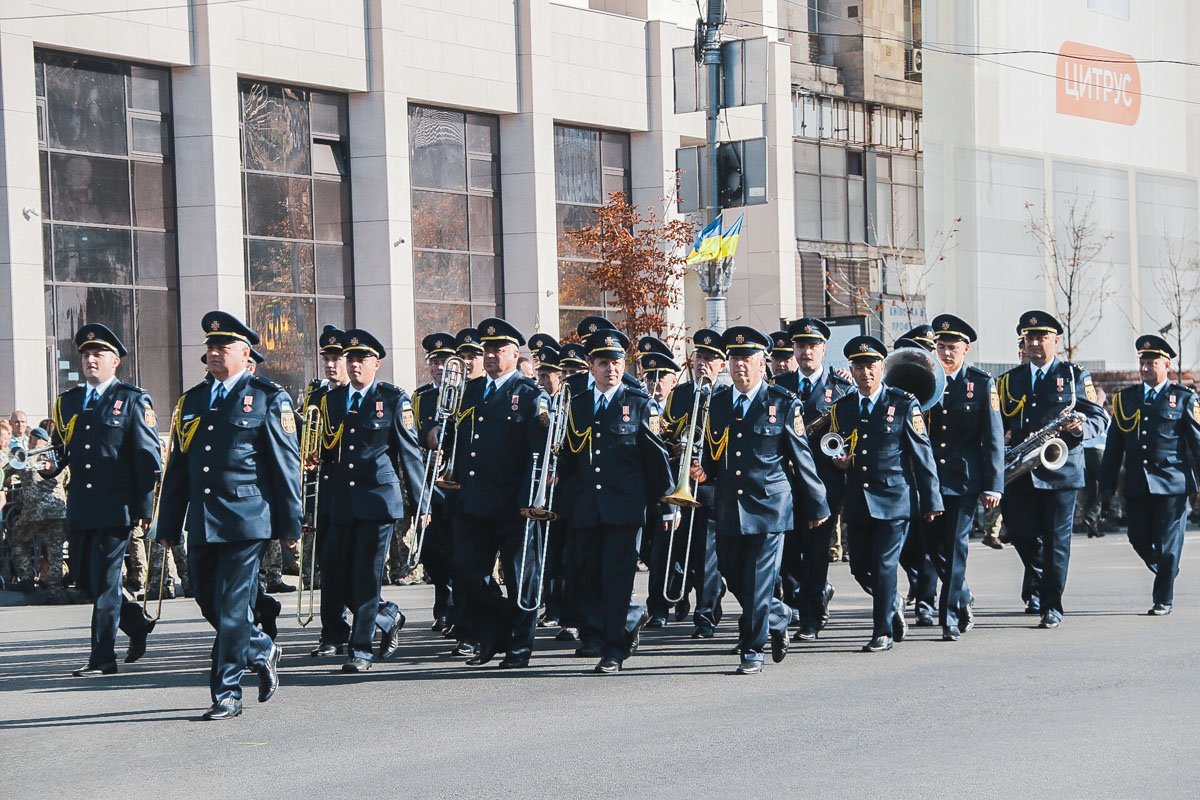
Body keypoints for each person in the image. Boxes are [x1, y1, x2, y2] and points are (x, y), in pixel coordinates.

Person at [157, 311, 300, 720]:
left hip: (248, 518)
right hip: (203, 520)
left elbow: (285, 465)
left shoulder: (269, 397)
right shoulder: (193, 401)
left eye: (224, 346)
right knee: (206, 598)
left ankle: (227, 693)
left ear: (245, 353)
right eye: (211, 346)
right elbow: (179, 468)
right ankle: (260, 645)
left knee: (234, 606)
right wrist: (167, 523)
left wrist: (290, 524)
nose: (214, 352)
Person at [695, 327, 829, 674]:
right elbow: (714, 453)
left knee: (757, 579)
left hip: (770, 507)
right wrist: (702, 470)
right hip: (728, 506)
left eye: (748, 359)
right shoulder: (719, 403)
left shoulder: (782, 403)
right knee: (731, 572)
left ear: (762, 363)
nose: (740, 366)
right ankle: (778, 613)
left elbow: (802, 459)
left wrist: (817, 504)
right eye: (735, 358)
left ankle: (753, 649)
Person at [558, 326, 671, 673]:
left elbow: (657, 459)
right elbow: (566, 456)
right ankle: (595, 632)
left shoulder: (638, 404)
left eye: (617, 362)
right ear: (590, 365)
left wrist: (667, 504)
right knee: (585, 573)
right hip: (585, 506)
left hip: (625, 507)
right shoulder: (575, 404)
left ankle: (613, 649)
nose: (612, 369)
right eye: (604, 362)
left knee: (617, 577)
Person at [49, 324, 161, 673]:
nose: (90, 360)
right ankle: (137, 623)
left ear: (115, 361)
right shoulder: (68, 402)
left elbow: (148, 457)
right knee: (85, 578)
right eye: (85, 354)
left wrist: (144, 507)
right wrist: (48, 466)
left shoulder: (131, 399)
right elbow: (62, 451)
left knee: (108, 581)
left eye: (98, 354)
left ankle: (102, 658)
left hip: (117, 506)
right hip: (81, 506)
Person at [440, 317, 549, 668]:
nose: (490, 356)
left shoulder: (530, 395)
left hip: (513, 504)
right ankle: (496, 631)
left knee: (520, 578)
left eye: (498, 350)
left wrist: (531, 499)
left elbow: (539, 453)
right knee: (466, 573)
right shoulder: (470, 391)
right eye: (487, 350)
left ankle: (519, 647)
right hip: (473, 500)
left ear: (515, 354)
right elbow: (454, 436)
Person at [314, 328, 424, 672]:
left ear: (376, 363)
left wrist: (423, 505)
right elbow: (325, 449)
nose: (355, 365)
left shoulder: (393, 399)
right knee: (335, 572)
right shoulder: (330, 400)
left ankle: (360, 649)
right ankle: (387, 615)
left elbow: (409, 453)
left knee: (365, 575)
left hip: (378, 499)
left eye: (362, 359)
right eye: (351, 359)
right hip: (341, 501)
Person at [829, 335, 943, 652]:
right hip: (858, 500)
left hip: (895, 500)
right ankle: (892, 600)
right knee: (859, 567)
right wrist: (839, 462)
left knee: (884, 564)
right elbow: (834, 445)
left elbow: (923, 455)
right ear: (850, 370)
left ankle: (882, 632)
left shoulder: (904, 403)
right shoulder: (844, 407)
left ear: (882, 367)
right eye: (859, 367)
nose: (866, 373)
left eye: (871, 366)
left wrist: (931, 500)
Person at [995, 311, 1106, 628]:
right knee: (1020, 533)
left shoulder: (1073, 376)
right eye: (1029, 337)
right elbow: (996, 422)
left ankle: (1051, 605)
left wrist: (1078, 427)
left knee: (1057, 541)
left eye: (1041, 337)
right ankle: (1042, 585)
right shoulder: (1007, 381)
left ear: (1055, 341)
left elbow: (1097, 417)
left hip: (1062, 470)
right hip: (1021, 472)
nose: (1034, 342)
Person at [1100, 334, 1200, 616]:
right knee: (1138, 538)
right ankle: (1167, 570)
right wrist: (1106, 487)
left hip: (1172, 484)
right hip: (1138, 483)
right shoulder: (1126, 399)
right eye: (1142, 363)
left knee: (1169, 545)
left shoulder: (1183, 398)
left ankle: (1163, 598)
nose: (1145, 368)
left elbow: (1197, 442)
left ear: (1166, 365)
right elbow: (1113, 447)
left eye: (1152, 363)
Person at [919, 314, 1004, 640]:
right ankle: (963, 595)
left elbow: (993, 438)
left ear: (965, 349)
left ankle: (950, 617)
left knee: (955, 549)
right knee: (930, 548)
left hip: (962, 480)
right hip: (928, 481)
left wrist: (993, 484)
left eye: (952, 347)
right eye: (940, 346)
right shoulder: (925, 379)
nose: (945, 353)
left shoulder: (981, 384)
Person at [773, 317, 853, 641]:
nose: (806, 351)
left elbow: (852, 433)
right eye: (801, 345)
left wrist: (848, 458)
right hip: (787, 484)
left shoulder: (842, 388)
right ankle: (798, 602)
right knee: (789, 552)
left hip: (824, 483)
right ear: (793, 349)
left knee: (817, 553)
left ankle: (812, 617)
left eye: (813, 345)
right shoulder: (779, 387)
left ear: (823, 349)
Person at [659, 329, 728, 638]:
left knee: (708, 553)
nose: (704, 363)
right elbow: (668, 431)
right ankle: (693, 597)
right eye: (700, 357)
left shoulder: (727, 396)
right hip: (682, 480)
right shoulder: (681, 394)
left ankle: (706, 615)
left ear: (722, 364)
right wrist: (674, 445)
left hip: (711, 485)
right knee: (684, 550)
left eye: (711, 358)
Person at [412, 331, 459, 632]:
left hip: (459, 484)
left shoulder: (465, 394)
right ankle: (443, 596)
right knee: (431, 550)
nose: (439, 368)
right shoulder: (421, 398)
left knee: (458, 549)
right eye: (435, 362)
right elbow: (412, 436)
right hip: (431, 482)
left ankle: (452, 608)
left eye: (445, 362)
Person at [637, 335, 685, 629]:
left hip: (673, 487)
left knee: (663, 548)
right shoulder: (639, 404)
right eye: (649, 377)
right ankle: (678, 580)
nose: (655, 383)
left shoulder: (679, 407)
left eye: (661, 377)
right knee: (645, 550)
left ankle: (659, 607)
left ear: (672, 380)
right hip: (643, 488)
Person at [8, 426, 69, 602]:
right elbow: (67, 479)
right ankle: (54, 593)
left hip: (33, 510)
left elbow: (12, 471)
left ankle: (26, 577)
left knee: (18, 540)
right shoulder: (58, 456)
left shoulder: (24, 455)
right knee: (55, 551)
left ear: (32, 439)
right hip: (58, 510)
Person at [1079, 387, 1110, 538]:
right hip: (1099, 452)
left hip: (1085, 452)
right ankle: (1091, 517)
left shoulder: (1084, 412)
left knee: (1089, 489)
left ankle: (1091, 524)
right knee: (1103, 487)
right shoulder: (1101, 412)